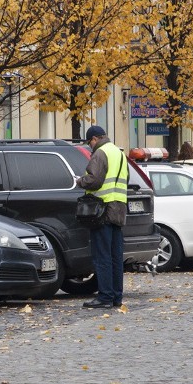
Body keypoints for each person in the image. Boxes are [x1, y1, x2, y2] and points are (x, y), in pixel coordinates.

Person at [76, 125, 129, 309]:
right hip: (119, 209)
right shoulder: (119, 153)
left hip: (103, 210)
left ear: (94, 139)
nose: (90, 146)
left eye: (89, 142)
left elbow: (95, 180)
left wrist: (80, 181)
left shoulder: (100, 153)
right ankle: (116, 297)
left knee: (102, 256)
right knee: (116, 256)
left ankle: (105, 297)